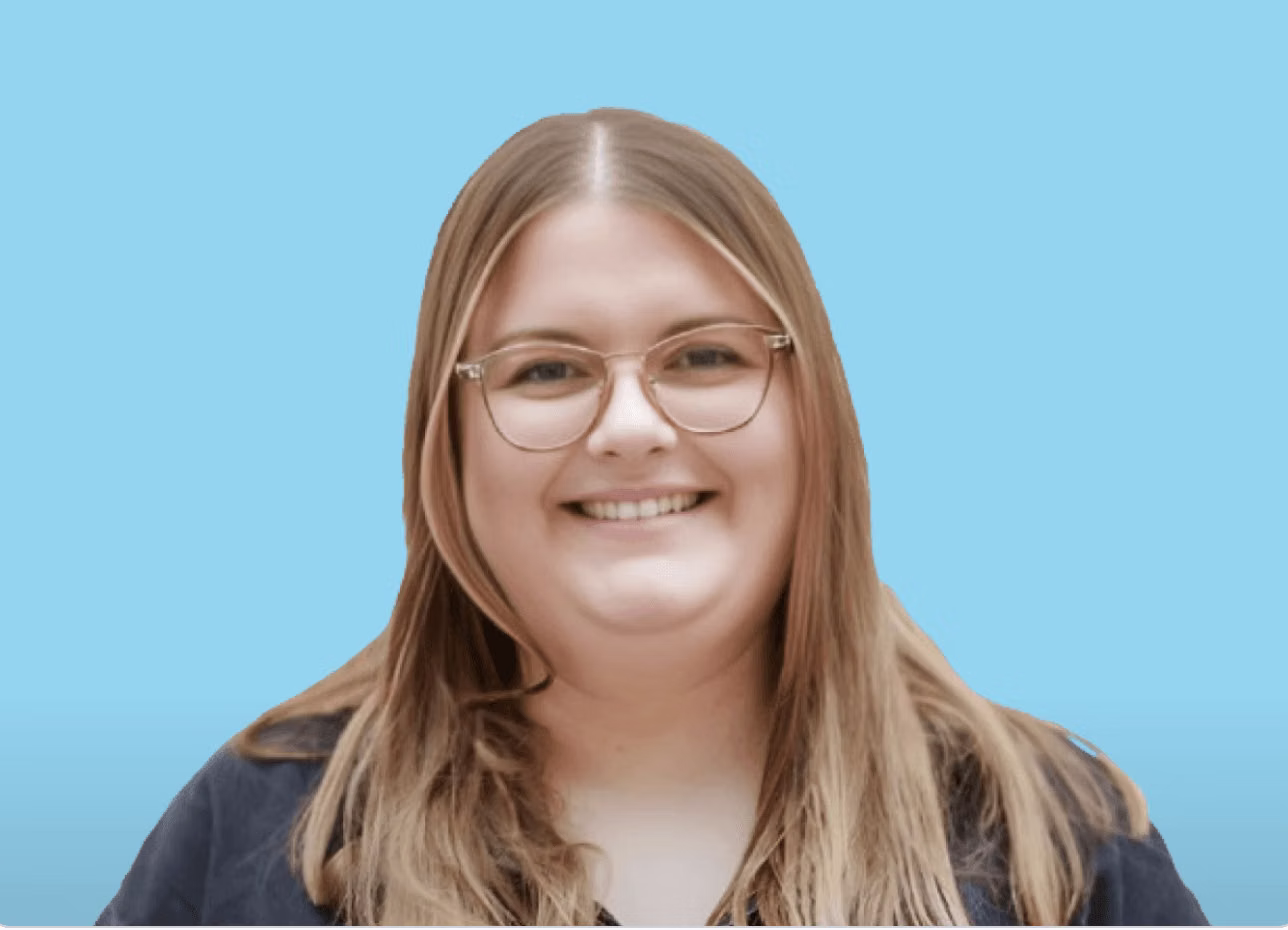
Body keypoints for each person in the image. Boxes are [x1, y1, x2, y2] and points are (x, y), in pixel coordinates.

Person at [97, 108, 1207, 926]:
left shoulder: (1057, 847)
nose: (629, 426)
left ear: (813, 417)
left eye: (705, 357)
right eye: (546, 370)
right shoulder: (256, 837)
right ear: (449, 443)